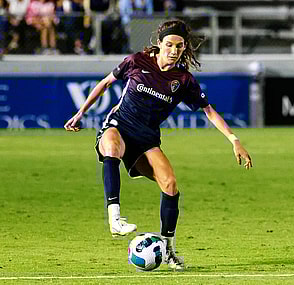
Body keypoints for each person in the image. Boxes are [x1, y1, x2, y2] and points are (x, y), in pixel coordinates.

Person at [64, 19, 253, 271]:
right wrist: (80, 113)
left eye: (180, 46)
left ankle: (169, 249)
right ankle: (115, 218)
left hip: (147, 139)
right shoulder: (136, 61)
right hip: (119, 126)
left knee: (170, 185)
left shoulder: (183, 80)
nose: (174, 50)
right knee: (110, 146)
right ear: (160, 44)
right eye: (170, 45)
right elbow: (105, 83)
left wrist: (234, 140)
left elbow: (208, 111)